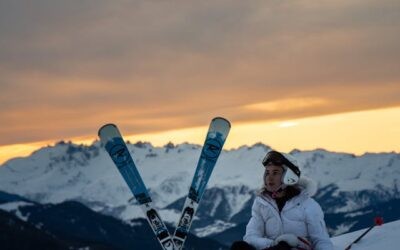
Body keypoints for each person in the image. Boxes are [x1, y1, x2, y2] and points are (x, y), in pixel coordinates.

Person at [231, 150, 333, 250]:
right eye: (267, 172)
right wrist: (274, 244)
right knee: (238, 246)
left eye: (275, 173)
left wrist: (291, 244)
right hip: (271, 248)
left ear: (289, 176)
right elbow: (250, 237)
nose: (269, 178)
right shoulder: (261, 204)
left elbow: (322, 241)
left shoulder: (308, 205)